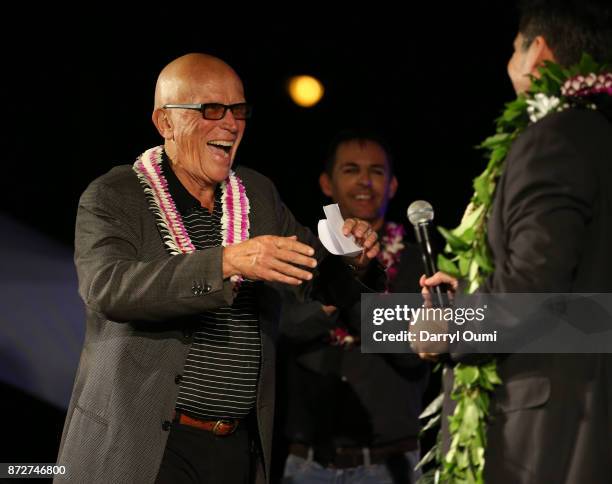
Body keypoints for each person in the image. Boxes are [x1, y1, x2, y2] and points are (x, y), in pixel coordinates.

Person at [55, 53, 383, 484]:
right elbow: (108, 289)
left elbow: (317, 278)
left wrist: (353, 257)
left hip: (235, 448)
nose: (230, 123)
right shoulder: (115, 195)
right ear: (165, 122)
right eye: (211, 110)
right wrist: (227, 261)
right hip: (146, 446)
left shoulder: (258, 195)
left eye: (239, 110)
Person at [420, 1, 612, 482]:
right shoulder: (597, 133)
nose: (510, 60)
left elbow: (532, 289)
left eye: (513, 48)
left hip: (547, 429)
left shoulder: (553, 139)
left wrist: (449, 328)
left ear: (537, 52)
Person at [278, 131, 429, 484]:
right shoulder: (301, 255)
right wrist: (346, 291)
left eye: (377, 171)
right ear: (326, 183)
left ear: (392, 186)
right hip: (307, 464)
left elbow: (410, 347)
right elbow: (284, 328)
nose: (364, 181)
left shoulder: (417, 261)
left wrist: (346, 284)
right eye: (351, 170)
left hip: (392, 464)